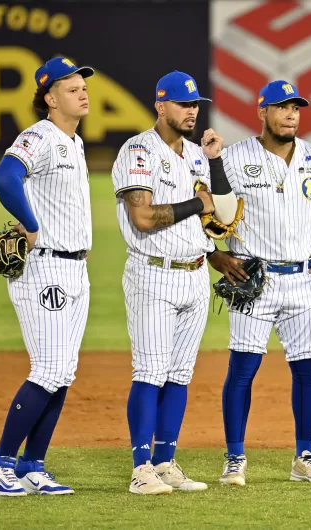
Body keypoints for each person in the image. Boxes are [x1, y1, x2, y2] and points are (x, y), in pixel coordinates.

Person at [208, 80, 311, 486]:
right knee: (243, 370)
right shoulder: (235, 159)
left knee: (308, 370)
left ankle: (304, 457)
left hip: (304, 280)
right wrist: (214, 255)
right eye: (282, 107)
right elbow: (207, 208)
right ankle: (234, 458)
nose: (291, 114)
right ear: (262, 112)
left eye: (296, 108)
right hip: (253, 279)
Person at [0, 56, 95, 496]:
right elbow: (6, 177)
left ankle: (32, 465)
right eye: (70, 87)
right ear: (49, 98)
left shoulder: (74, 142)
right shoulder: (40, 136)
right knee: (48, 369)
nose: (82, 92)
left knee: (63, 372)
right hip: (45, 267)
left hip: (75, 268)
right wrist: (29, 224)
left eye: (82, 85)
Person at [111, 71, 229, 495]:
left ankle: (164, 463)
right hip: (152, 273)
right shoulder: (138, 151)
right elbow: (142, 218)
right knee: (150, 371)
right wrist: (199, 203)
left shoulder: (198, 154)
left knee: (179, 374)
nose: (192, 110)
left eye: (196, 104)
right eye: (183, 103)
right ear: (160, 106)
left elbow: (223, 214)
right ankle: (141, 469)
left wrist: (215, 161)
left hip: (194, 273)